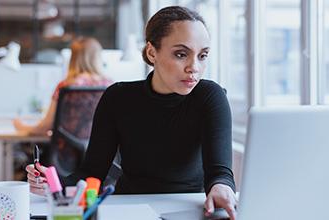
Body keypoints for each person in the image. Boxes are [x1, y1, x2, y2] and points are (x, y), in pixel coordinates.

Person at [26, 6, 238, 219]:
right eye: (181, 54)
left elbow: (220, 173)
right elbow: (92, 173)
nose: (194, 67)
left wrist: (222, 187)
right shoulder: (118, 98)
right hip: (130, 207)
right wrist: (51, 184)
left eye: (202, 56)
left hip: (189, 207)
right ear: (151, 52)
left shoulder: (210, 96)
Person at [13, 37, 112, 135]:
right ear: (97, 58)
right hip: (102, 149)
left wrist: (20, 126)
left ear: (73, 58)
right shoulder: (110, 86)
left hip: (68, 149)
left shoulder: (66, 85)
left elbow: (45, 126)